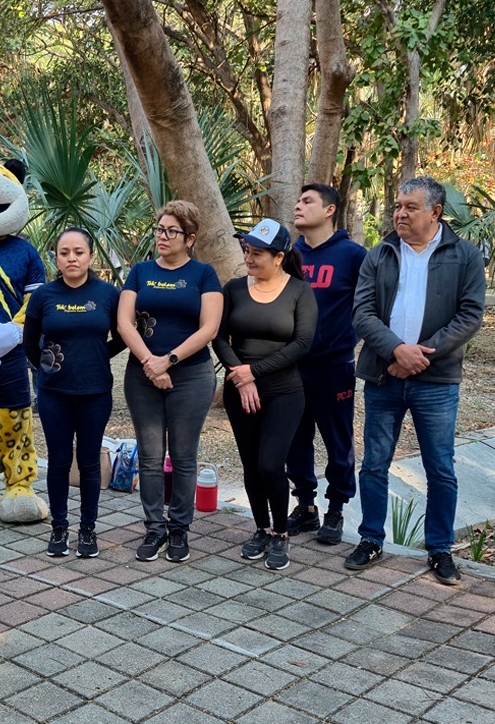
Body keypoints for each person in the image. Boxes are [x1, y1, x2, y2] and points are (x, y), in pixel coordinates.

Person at [346, 176, 486, 585]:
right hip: (383, 376)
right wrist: (396, 351)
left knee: (440, 466)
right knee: (374, 463)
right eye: (397, 206)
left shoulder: (465, 255)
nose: (400, 213)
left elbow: (470, 315)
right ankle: (371, 538)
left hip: (436, 379)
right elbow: (363, 312)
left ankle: (439, 549)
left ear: (435, 212)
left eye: (410, 207)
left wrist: (420, 355)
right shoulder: (382, 253)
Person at [118, 200, 223, 563]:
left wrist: (169, 360)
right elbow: (124, 322)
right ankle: (153, 528)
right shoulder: (140, 271)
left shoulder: (204, 274)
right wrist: (151, 363)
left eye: (171, 231)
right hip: (142, 375)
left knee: (183, 456)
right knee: (148, 457)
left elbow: (209, 327)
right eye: (159, 229)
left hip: (191, 375)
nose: (162, 236)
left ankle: (179, 529)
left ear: (189, 238)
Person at [213, 219, 316, 571]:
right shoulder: (234, 289)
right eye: (247, 251)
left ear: (279, 257)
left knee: (271, 463)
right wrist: (242, 378)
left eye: (257, 253)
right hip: (240, 392)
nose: (249, 258)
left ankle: (281, 534)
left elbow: (303, 343)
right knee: (251, 465)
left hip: (283, 392)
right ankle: (261, 528)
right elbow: (218, 337)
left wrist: (253, 372)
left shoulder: (299, 291)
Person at [23, 228, 123, 558]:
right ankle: (59, 527)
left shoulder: (108, 294)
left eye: (78, 252)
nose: (72, 258)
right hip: (54, 393)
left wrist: (97, 355)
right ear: (55, 257)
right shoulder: (43, 296)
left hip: (95, 392)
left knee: (90, 462)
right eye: (64, 252)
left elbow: (124, 336)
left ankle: (88, 529)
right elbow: (29, 343)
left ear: (91, 256)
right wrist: (48, 367)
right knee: (59, 462)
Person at [284, 183, 367, 544]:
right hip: (289, 366)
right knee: (293, 439)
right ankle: (306, 507)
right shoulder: (289, 255)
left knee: (338, 440)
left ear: (330, 210)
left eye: (307, 201)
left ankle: (336, 510)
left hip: (334, 368)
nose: (298, 206)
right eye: (298, 201)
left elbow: (368, 308)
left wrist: (342, 343)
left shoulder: (353, 255)